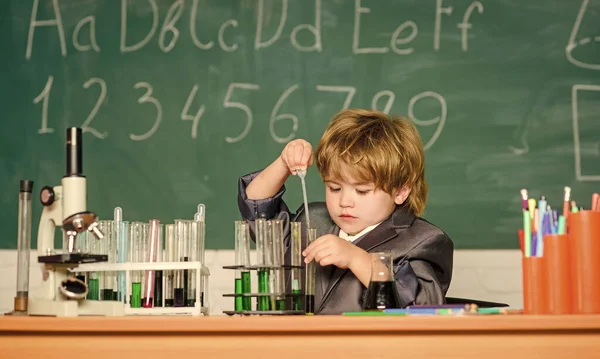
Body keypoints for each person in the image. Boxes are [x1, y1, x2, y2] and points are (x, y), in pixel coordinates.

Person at [237, 109, 453, 314]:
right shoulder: (312, 221)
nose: (345, 201)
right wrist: (284, 163)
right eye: (334, 188)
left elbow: (422, 305)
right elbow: (257, 206)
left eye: (362, 190)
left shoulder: (422, 241)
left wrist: (356, 259)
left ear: (401, 191)